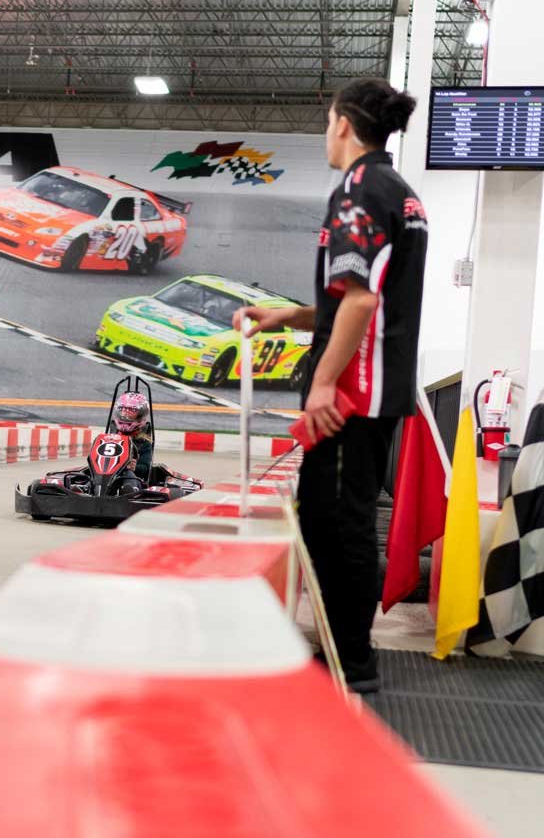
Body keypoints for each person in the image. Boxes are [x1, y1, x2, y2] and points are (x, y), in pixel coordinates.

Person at [234, 77, 428, 693]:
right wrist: (288, 316)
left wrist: (321, 384)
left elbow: (363, 301)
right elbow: (363, 297)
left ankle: (351, 662)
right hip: (374, 389)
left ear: (343, 123)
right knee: (330, 519)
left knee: (336, 525)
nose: (326, 133)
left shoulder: (359, 190)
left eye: (326, 122)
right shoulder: (399, 192)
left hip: (350, 395)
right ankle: (346, 653)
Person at [109, 391, 154, 493]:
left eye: (131, 411)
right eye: (123, 410)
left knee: (128, 474)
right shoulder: (110, 437)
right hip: (108, 473)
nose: (125, 415)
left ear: (141, 415)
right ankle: (86, 487)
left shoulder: (143, 442)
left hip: (133, 478)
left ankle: (129, 490)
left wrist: (134, 467)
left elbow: (145, 467)